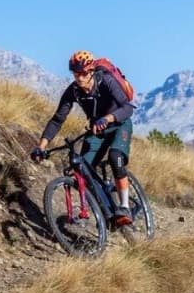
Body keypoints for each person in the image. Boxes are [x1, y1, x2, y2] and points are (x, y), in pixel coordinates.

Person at [30, 50, 135, 224]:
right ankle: (104, 213)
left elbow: (127, 108)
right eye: (76, 73)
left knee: (116, 158)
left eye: (84, 73)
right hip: (97, 130)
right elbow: (57, 120)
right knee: (82, 170)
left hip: (119, 124)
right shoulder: (73, 91)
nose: (80, 77)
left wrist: (108, 118)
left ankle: (124, 206)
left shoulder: (106, 81)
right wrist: (41, 146)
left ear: (91, 70)